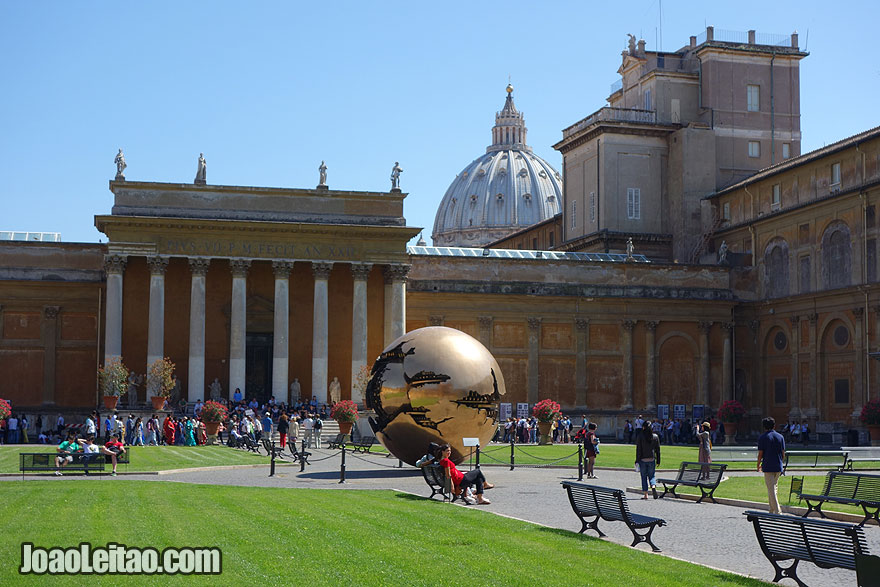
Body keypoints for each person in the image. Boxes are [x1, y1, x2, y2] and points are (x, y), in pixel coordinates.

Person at [757, 416, 786, 514]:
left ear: (764, 426)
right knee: (773, 488)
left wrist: (758, 464)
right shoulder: (780, 437)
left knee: (771, 489)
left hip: (768, 465)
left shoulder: (763, 437)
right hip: (778, 465)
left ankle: (777, 511)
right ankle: (771, 509)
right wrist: (781, 462)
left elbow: (760, 454)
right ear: (774, 426)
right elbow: (783, 453)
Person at [635, 420, 661, 499]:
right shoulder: (655, 436)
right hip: (651, 458)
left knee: (644, 477)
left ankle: (646, 494)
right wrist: (658, 460)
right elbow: (658, 450)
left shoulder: (640, 436)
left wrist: (637, 460)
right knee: (652, 476)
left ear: (643, 427)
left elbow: (638, 449)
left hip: (643, 459)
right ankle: (653, 486)